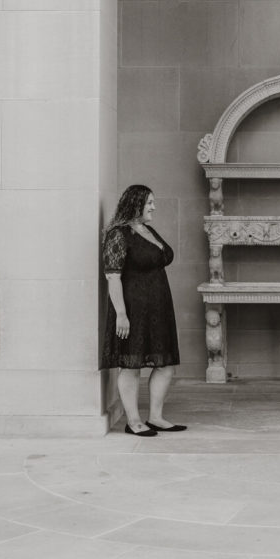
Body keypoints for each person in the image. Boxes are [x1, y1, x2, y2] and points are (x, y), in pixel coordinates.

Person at [101, 184, 186, 436]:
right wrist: (121, 315)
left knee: (165, 363)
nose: (153, 207)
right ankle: (134, 421)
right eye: (149, 202)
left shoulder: (147, 230)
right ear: (135, 204)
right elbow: (113, 276)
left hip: (159, 307)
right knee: (131, 364)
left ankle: (157, 417)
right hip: (133, 308)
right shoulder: (118, 234)